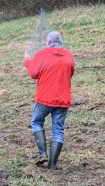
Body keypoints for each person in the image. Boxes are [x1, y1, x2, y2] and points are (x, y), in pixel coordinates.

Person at [24, 30, 76, 170]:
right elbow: (70, 73)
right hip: (63, 99)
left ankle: (42, 154)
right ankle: (52, 164)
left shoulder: (42, 54)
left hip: (44, 98)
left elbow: (34, 74)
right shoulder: (69, 55)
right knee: (58, 130)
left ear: (48, 43)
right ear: (61, 42)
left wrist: (28, 60)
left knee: (36, 122)